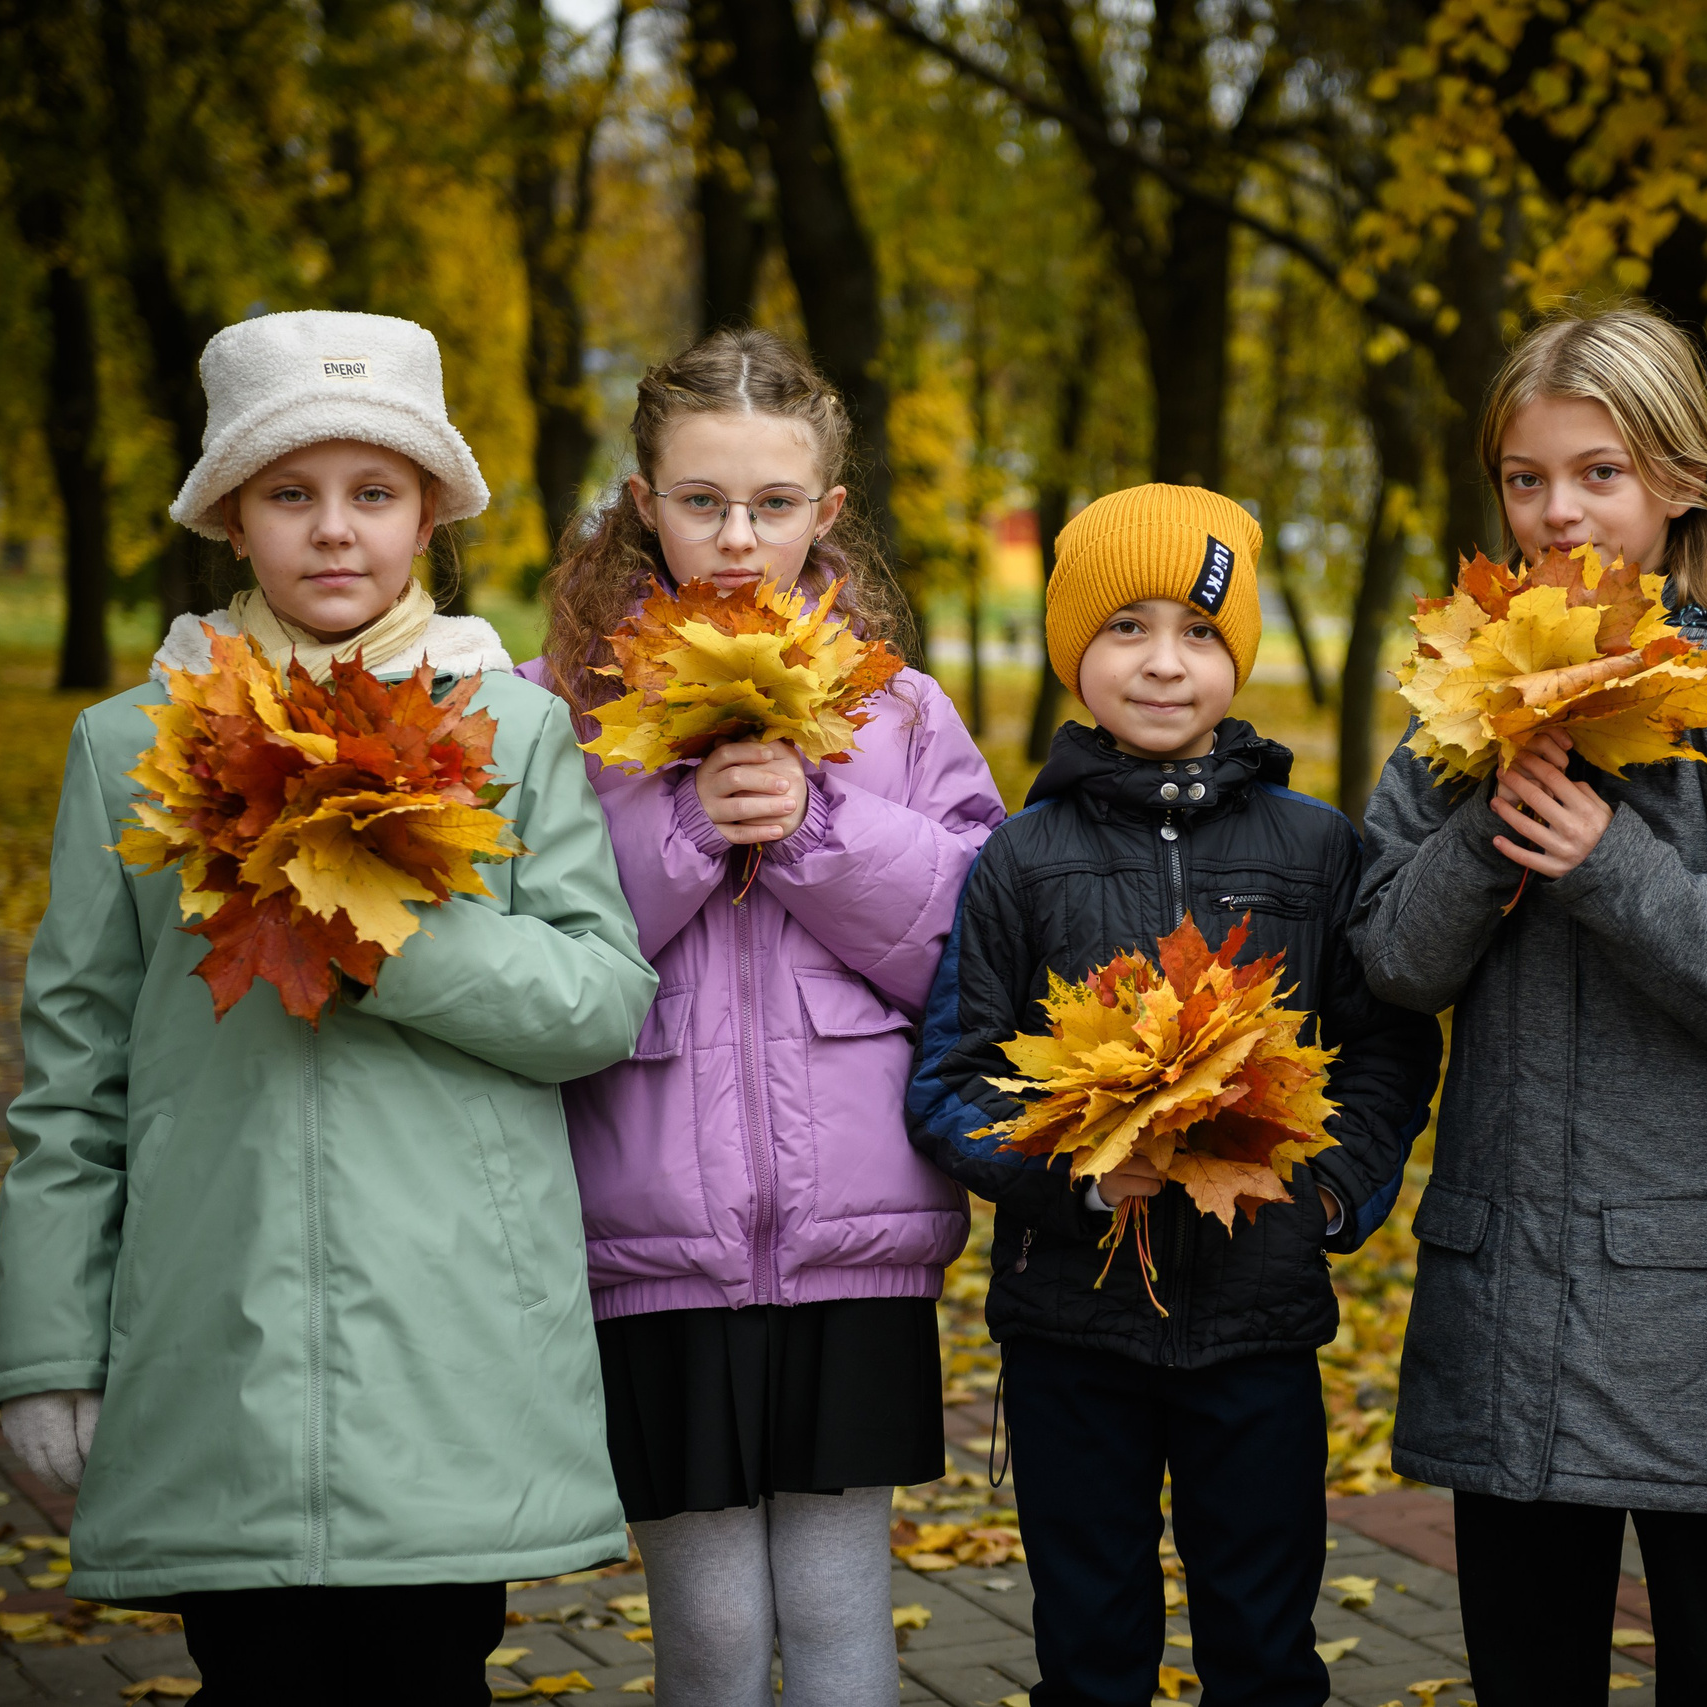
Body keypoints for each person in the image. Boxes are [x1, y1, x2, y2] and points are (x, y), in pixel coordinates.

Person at [0, 309, 657, 1701]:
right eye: (291, 492)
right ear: (233, 519)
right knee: (253, 1673)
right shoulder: (127, 746)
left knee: (428, 1672)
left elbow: (599, 1004)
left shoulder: (513, 727)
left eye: (374, 492)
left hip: (449, 1334)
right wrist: (49, 1346)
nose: (335, 529)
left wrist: (390, 939)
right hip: (215, 1321)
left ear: (430, 517)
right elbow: (75, 1074)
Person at [1347, 305, 1707, 1703]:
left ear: (1681, 481)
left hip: (1697, 1299)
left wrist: (1609, 861)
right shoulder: (1456, 704)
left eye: (1599, 472)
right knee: (1528, 1665)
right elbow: (1391, 958)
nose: (1557, 510)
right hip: (1503, 1277)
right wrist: (1487, 832)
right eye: (1526, 478)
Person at [527, 328, 1002, 1707]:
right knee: (715, 1630)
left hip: (854, 1237)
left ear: (825, 510)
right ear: (645, 501)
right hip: (653, 1235)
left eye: (773, 503)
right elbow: (535, 942)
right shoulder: (560, 711)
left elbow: (975, 946)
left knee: (844, 1621)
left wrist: (817, 829)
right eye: (702, 500)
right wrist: (684, 828)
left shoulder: (902, 712)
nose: (738, 538)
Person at [908, 483, 1441, 1707]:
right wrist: (1075, 1181)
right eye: (1126, 628)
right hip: (1070, 1331)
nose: (1163, 662)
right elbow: (949, 1083)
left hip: (1258, 1319)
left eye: (1199, 632)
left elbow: (1385, 1045)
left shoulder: (1317, 848)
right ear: (1072, 651)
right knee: (1091, 1647)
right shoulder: (1020, 858)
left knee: (1263, 1642)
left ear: (1236, 654)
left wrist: (1329, 1195)